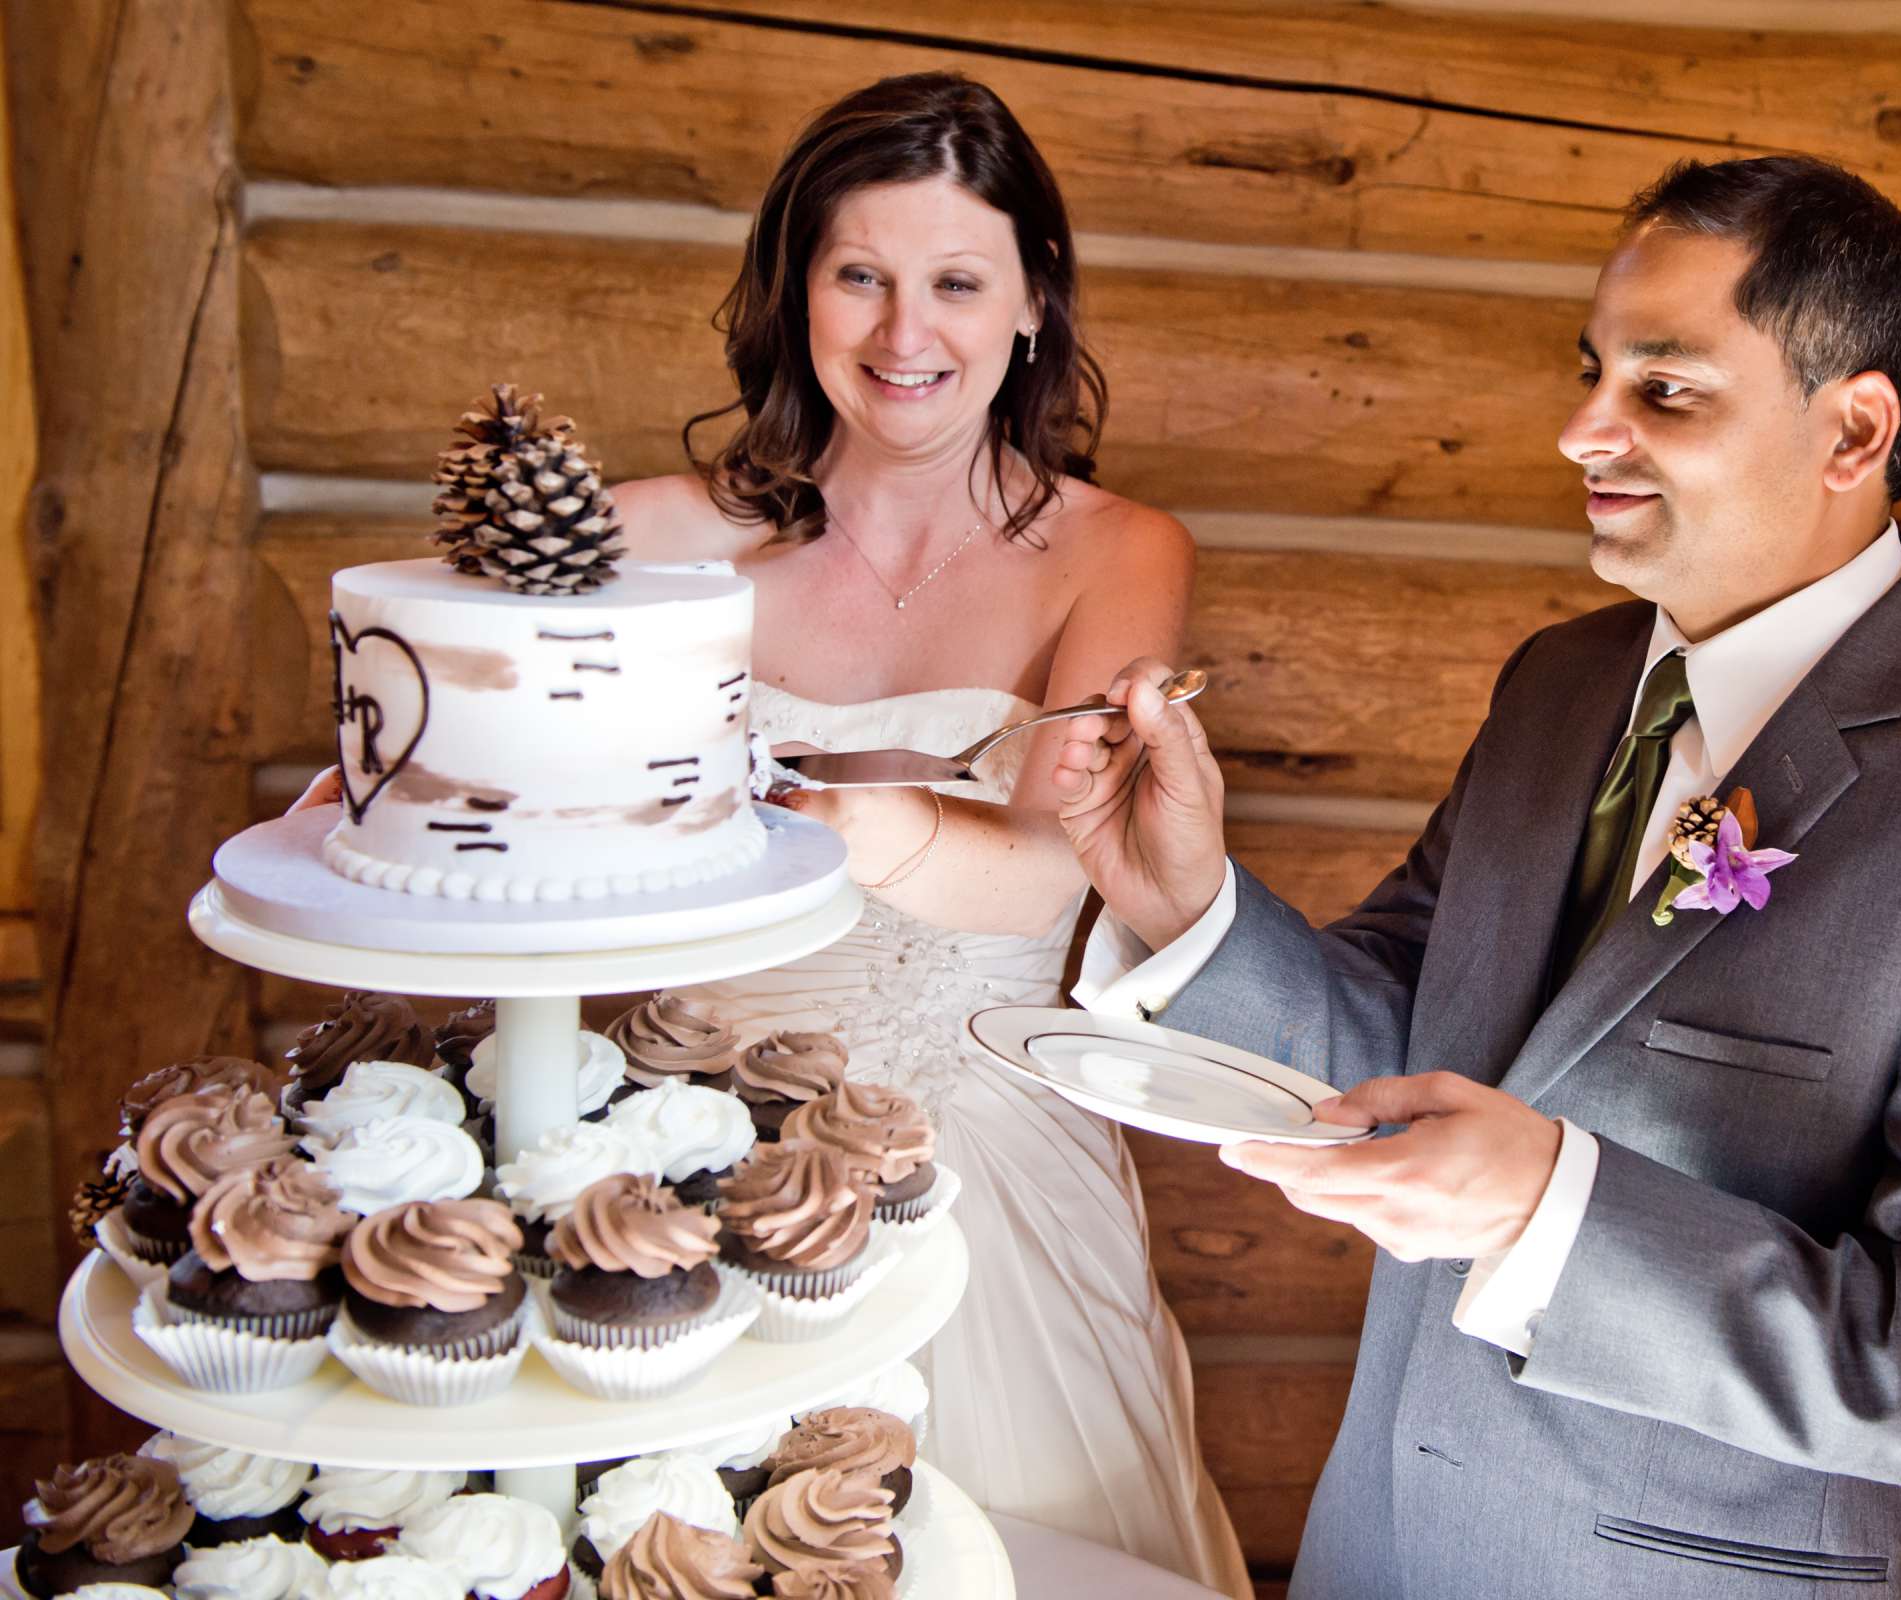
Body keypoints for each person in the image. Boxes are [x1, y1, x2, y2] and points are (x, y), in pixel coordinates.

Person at [1054, 155, 1901, 1599]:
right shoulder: (1559, 687)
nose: (1580, 430)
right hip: (1377, 1551)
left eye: (1664, 392)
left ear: (1855, 429)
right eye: (1593, 374)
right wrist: (1189, 908)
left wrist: (1559, 1212)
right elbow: (1413, 1053)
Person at [299, 73, 1249, 1597]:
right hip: (699, 1144)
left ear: (1030, 305)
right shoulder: (659, 534)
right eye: (858, 276)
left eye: (954, 282)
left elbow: (1046, 866)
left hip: (992, 1149)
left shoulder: (1120, 549)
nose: (902, 333)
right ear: (796, 290)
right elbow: (439, 702)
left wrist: (857, 823)